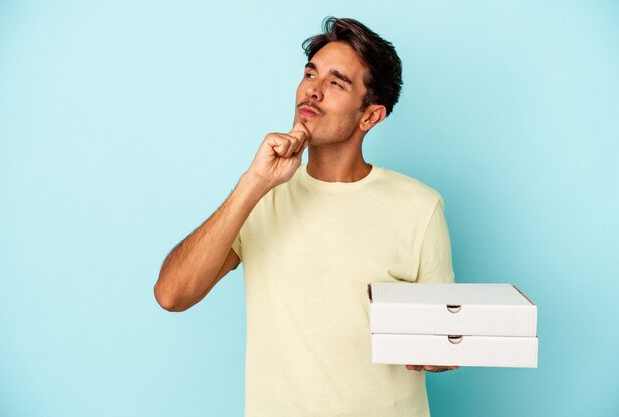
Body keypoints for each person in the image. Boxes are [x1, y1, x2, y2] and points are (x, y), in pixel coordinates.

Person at [154, 16, 457, 417]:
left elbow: (447, 337)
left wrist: (441, 351)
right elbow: (172, 295)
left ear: (370, 117)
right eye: (310, 74)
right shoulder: (260, 197)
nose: (311, 90)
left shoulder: (420, 206)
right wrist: (253, 183)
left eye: (336, 82)